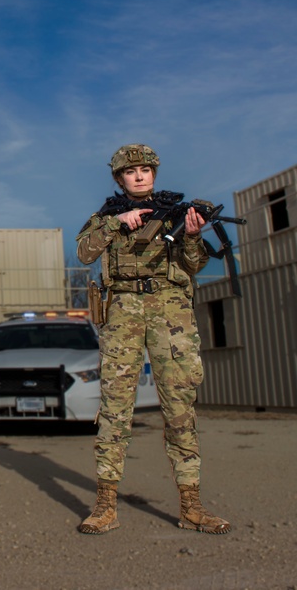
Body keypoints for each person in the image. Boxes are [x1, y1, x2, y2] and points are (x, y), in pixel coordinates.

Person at [75, 143, 230, 535]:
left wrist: (192, 236)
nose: (140, 176)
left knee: (180, 407)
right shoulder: (105, 217)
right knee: (115, 409)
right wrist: (117, 223)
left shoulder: (177, 214)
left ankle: (192, 505)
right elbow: (83, 253)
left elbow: (193, 266)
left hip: (170, 311)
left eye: (146, 169)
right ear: (119, 178)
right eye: (131, 171)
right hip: (123, 312)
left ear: (154, 174)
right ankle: (105, 504)